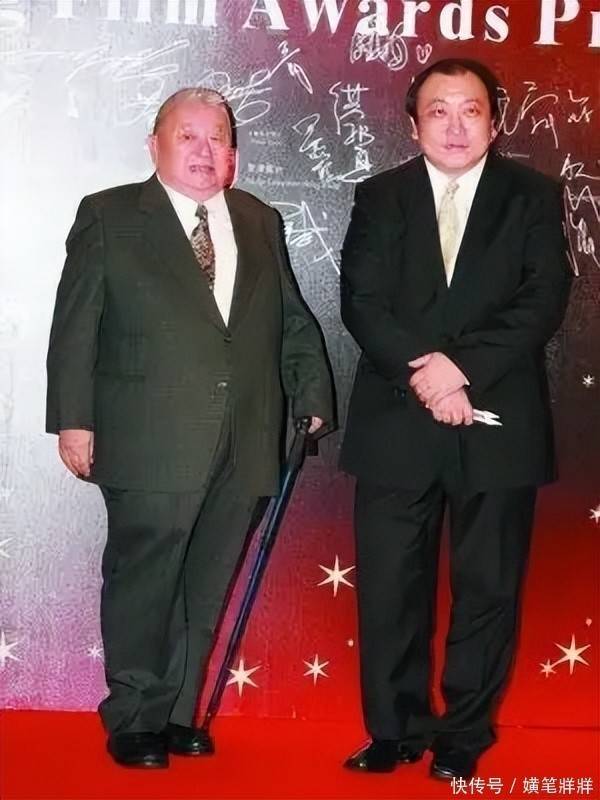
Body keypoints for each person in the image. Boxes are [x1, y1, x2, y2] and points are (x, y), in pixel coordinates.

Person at [46, 88, 334, 769]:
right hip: (148, 436)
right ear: (155, 145)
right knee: (146, 580)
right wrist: (73, 420)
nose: (205, 151)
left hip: (247, 433)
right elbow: (76, 323)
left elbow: (291, 317)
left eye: (218, 138)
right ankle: (134, 716)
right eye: (188, 136)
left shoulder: (258, 219)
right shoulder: (110, 215)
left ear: (233, 153)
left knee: (207, 580)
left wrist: (312, 392)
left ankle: (177, 714)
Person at [340, 59, 571, 780]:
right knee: (389, 588)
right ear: (414, 125)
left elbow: (543, 299)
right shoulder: (380, 196)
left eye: (470, 110)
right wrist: (426, 376)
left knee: (488, 588)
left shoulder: (533, 195)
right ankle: (394, 729)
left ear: (493, 123)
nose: (455, 125)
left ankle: (465, 735)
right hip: (396, 420)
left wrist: (459, 368)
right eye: (438, 110)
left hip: (497, 417)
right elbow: (362, 301)